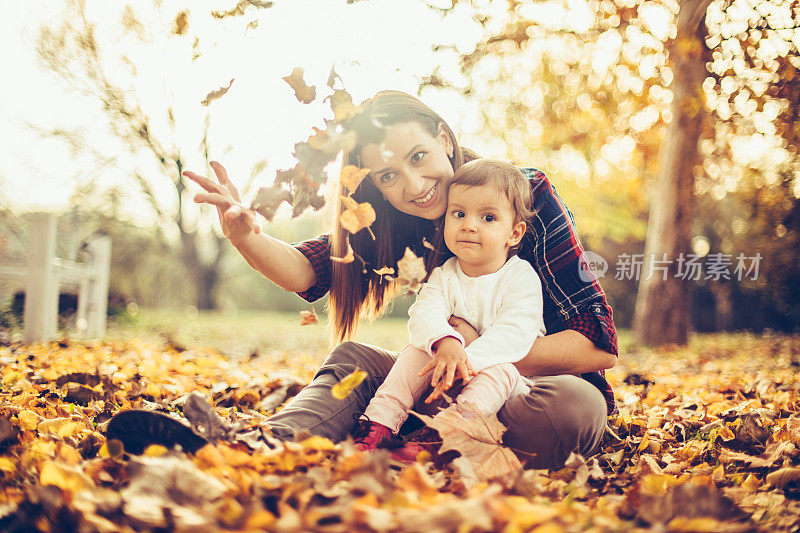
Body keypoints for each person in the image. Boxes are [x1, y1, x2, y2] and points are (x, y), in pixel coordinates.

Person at [107, 90, 618, 469]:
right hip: (440, 377)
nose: (414, 187)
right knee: (353, 361)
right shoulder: (391, 221)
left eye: (418, 157)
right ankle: (255, 448)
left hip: (537, 388)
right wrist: (246, 237)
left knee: (565, 413)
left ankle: (431, 448)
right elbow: (310, 268)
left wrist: (471, 349)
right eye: (389, 176)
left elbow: (599, 344)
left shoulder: (522, 197)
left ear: (443, 138)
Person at [353, 159, 546, 461]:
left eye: (488, 218)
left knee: (502, 372)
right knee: (414, 353)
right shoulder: (445, 274)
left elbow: (515, 333)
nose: (469, 225)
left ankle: (441, 438)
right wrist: (446, 342)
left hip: (501, 384)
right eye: (459, 214)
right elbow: (423, 313)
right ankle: (378, 424)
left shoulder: (520, 278)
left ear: (515, 233)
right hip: (445, 370)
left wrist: (464, 359)